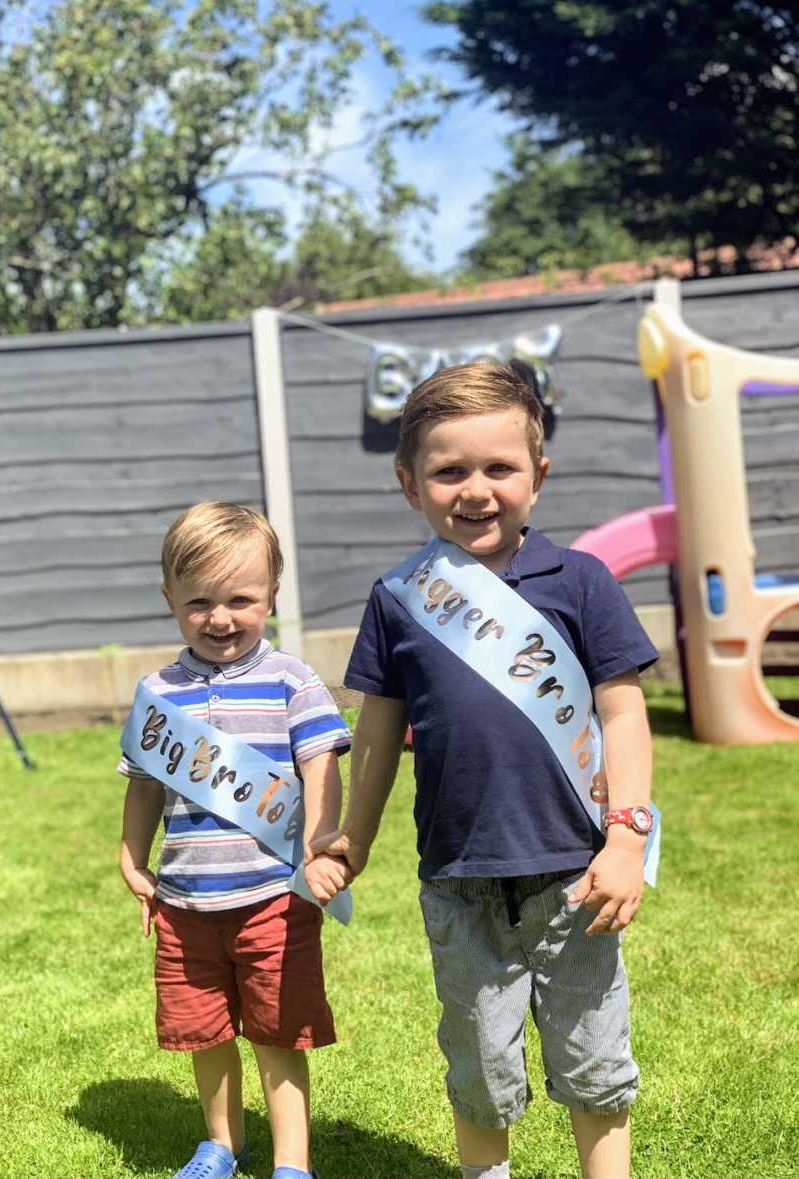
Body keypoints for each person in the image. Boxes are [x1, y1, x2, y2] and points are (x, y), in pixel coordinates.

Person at [307, 363, 659, 1179]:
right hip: (457, 876)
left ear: (539, 474)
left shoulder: (582, 582)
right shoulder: (400, 597)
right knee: (479, 1065)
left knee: (594, 1057)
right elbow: (380, 731)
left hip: (578, 870)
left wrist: (626, 835)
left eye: (499, 467)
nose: (475, 490)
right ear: (409, 484)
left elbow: (622, 714)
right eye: (448, 470)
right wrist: (349, 837)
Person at [119, 501, 351, 1179]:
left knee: (280, 1032)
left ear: (272, 596)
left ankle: (291, 1162)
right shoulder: (156, 693)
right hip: (187, 903)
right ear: (170, 600)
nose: (221, 617)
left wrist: (317, 847)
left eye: (241, 599)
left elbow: (320, 767)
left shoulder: (292, 682)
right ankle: (221, 1143)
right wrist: (131, 857)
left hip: (274, 898)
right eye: (199, 602)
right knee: (205, 1031)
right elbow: (142, 787)